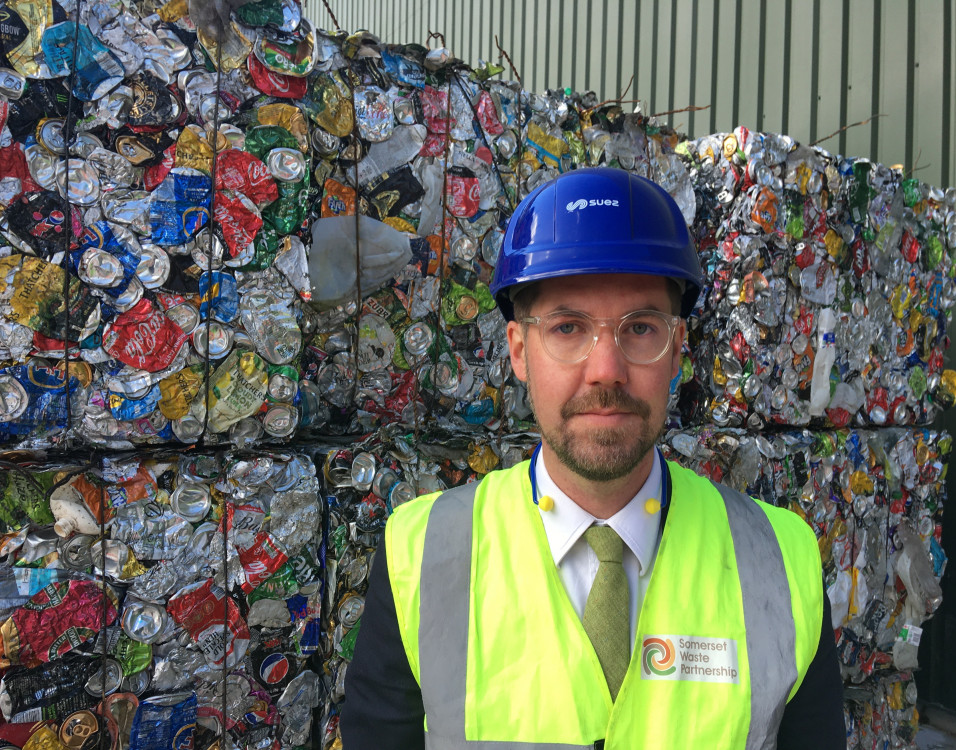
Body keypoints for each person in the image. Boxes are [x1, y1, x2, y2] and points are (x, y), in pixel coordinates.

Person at [342, 167, 845, 749]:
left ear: (678, 350)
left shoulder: (781, 562)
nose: (605, 368)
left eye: (639, 328)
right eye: (567, 327)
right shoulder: (422, 556)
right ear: (519, 352)